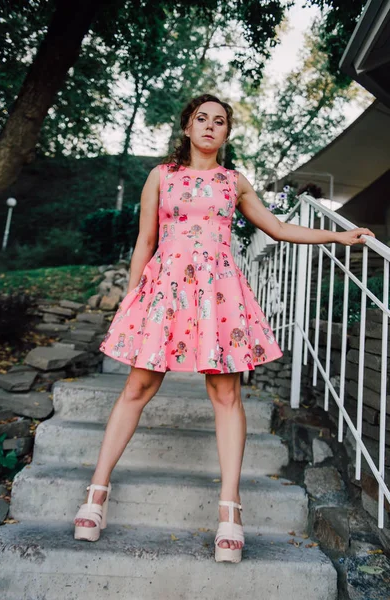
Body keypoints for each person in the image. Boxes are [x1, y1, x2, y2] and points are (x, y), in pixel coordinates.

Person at [73, 93, 375, 563]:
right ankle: (96, 491)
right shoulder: (161, 177)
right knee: (138, 385)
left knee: (226, 395)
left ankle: (230, 511)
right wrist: (131, 301)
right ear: (188, 128)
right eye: (202, 119)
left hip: (219, 293)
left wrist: (338, 234)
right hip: (166, 291)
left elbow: (276, 228)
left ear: (227, 134)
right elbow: (144, 241)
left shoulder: (234, 181)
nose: (210, 127)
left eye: (220, 121)